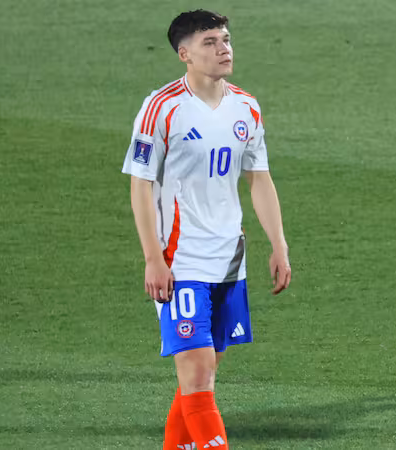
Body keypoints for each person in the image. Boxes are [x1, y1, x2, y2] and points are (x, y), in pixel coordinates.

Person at [122, 10, 291, 449]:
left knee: (203, 376)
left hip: (229, 260)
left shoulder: (246, 107)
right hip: (180, 261)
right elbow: (140, 187)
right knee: (197, 379)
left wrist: (278, 244)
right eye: (210, 42)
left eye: (226, 39)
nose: (224, 48)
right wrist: (153, 258)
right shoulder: (162, 107)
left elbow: (260, 179)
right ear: (185, 54)